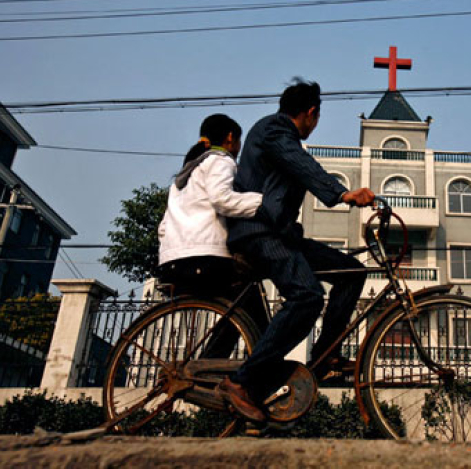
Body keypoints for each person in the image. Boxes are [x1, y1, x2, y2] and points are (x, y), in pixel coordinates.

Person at [219, 79, 374, 422]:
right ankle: (242, 382)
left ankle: (325, 358)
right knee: (307, 296)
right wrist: (342, 193)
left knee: (352, 272)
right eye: (315, 119)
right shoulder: (274, 129)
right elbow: (301, 165)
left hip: (281, 234)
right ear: (311, 113)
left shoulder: (278, 136)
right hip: (259, 232)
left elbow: (295, 169)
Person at [157, 113, 263, 293]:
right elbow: (222, 199)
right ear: (230, 137)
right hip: (208, 259)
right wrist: (263, 201)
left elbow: (162, 229)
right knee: (252, 293)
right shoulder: (220, 161)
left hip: (171, 263)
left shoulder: (182, 179)